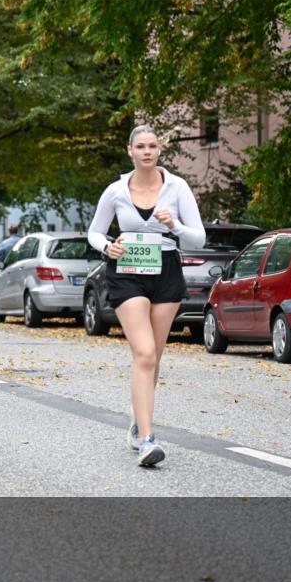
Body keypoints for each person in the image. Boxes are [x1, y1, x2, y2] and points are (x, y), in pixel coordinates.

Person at [88, 124, 206, 467]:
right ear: (130, 151)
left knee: (154, 356)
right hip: (126, 273)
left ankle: (139, 420)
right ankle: (147, 440)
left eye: (153, 145)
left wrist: (176, 227)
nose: (147, 151)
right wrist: (108, 246)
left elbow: (197, 238)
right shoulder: (115, 191)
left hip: (166, 269)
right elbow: (95, 232)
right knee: (143, 352)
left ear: (159, 150)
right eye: (141, 146)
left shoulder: (177, 187)